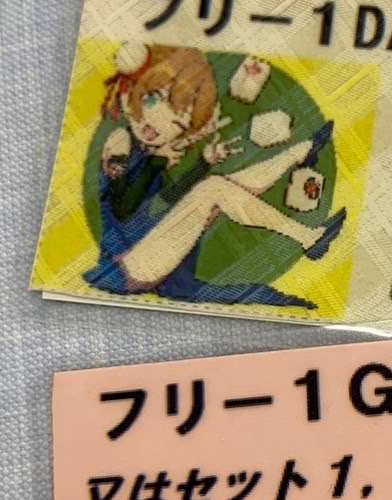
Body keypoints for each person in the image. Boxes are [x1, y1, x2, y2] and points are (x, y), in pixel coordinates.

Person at [85, 43, 344, 308]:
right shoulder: (121, 141)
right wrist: (157, 162)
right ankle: (309, 236)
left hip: (147, 251)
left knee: (225, 185)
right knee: (214, 188)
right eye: (152, 100)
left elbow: (164, 203)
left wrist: (203, 162)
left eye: (178, 123)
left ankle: (304, 151)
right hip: (126, 266)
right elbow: (125, 209)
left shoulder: (147, 151)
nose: (158, 122)